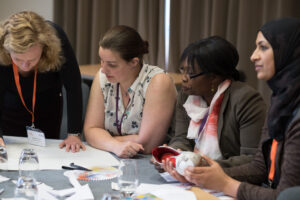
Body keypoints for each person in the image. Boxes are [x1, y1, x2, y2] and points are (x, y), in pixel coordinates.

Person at [165, 18, 300, 200]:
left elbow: (286, 196)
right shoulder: (281, 101)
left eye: (263, 47)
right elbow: (260, 167)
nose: (253, 56)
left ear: (289, 52)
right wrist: (196, 172)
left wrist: (224, 183)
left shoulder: (251, 100)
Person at [157, 36, 266, 173]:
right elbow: (182, 138)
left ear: (213, 77)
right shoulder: (186, 96)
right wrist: (173, 155)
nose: (184, 78)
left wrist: (205, 166)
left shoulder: (246, 100)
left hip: (230, 179)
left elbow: (252, 159)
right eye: (182, 70)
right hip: (193, 175)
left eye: (190, 73)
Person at [84, 25, 177, 158]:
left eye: (111, 64)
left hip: (150, 162)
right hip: (111, 155)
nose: (103, 69)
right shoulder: (103, 77)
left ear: (134, 62)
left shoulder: (158, 82)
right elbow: (90, 130)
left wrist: (102, 140)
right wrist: (115, 146)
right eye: (101, 61)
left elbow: (147, 144)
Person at [0, 11, 85, 152]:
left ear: (45, 49)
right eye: (18, 59)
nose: (25, 66)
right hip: (9, 108)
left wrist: (74, 134)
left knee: (47, 157)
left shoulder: (55, 38)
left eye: (32, 59)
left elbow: (73, 85)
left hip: (47, 106)